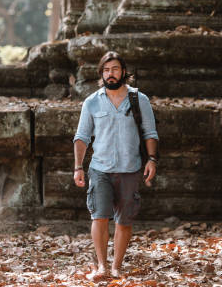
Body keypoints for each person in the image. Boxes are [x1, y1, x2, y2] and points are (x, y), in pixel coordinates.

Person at [73, 51, 159, 278]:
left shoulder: (139, 100)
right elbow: (82, 137)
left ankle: (116, 267)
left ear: (123, 72)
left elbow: (150, 133)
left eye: (115, 69)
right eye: (107, 70)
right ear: (102, 73)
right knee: (99, 216)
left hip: (130, 169)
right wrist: (78, 167)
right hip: (100, 169)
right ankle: (102, 266)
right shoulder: (92, 102)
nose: (111, 74)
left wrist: (152, 160)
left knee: (124, 220)